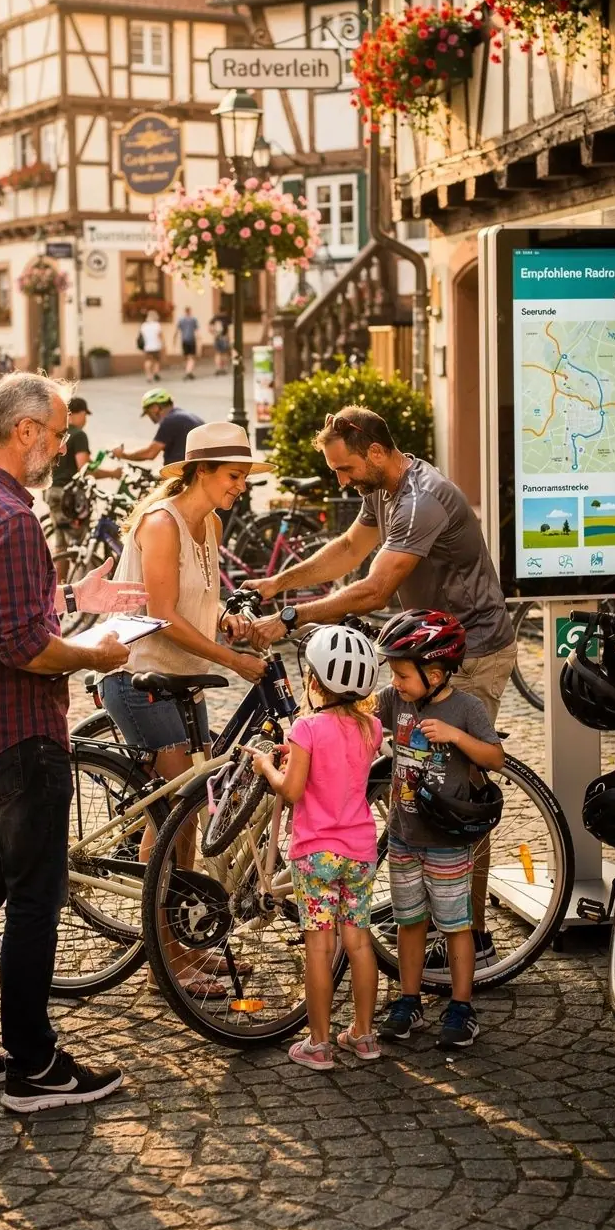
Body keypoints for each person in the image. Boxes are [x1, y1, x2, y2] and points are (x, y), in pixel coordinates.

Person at [0, 371, 149, 1112]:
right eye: (52, 435)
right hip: (19, 740)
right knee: (31, 901)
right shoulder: (13, 518)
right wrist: (94, 652)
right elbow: (23, 646)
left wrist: (72, 620)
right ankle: (34, 1065)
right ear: (24, 431)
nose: (56, 447)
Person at [238, 406, 516, 969]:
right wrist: (277, 582)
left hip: (473, 652)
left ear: (375, 450)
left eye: (344, 468)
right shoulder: (383, 490)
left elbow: (374, 587)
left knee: (455, 786)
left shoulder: (421, 498)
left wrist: (290, 617)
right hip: (424, 651)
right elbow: (347, 550)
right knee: (413, 772)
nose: (340, 480)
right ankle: (430, 909)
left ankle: (474, 933)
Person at [101, 422, 267, 993]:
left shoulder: (210, 524)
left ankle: (184, 949)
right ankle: (165, 962)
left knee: (189, 814)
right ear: (200, 473)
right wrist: (233, 658)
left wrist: (232, 623)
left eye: (245, 475)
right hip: (137, 675)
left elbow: (201, 605)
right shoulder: (161, 524)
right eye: (232, 475)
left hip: (183, 679)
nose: (241, 485)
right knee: (178, 819)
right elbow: (166, 614)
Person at [252, 625, 383, 1070]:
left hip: (316, 854)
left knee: (319, 947)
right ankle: (364, 1035)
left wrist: (267, 764)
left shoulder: (305, 729)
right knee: (360, 942)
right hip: (361, 851)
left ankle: (319, 1043)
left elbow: (290, 790)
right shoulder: (372, 728)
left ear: (312, 682)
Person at [375, 610, 504, 1050]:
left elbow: (494, 758)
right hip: (403, 836)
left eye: (402, 674)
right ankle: (409, 1000)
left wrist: (455, 735)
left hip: (447, 842)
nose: (395, 682)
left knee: (455, 924)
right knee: (409, 921)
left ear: (434, 673)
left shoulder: (465, 708)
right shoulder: (398, 701)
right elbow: (367, 725)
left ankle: (461, 1006)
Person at [45, 396, 122, 576]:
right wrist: (112, 474)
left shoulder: (56, 432)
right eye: (85, 414)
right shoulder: (78, 435)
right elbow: (84, 468)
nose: (86, 419)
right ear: (76, 413)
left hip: (52, 492)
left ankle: (61, 587)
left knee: (61, 546)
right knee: (83, 546)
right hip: (70, 497)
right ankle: (83, 590)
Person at [111, 390, 204, 471]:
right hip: (198, 468)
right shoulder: (185, 416)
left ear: (155, 407)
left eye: (148, 412)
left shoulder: (170, 421)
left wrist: (122, 454)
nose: (149, 416)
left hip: (184, 474)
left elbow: (150, 453)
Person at [138, 310, 163, 382]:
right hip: (156, 346)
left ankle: (149, 376)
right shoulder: (157, 325)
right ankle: (155, 373)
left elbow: (141, 336)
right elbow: (160, 335)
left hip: (147, 346)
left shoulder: (144, 325)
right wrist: (163, 344)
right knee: (156, 361)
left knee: (147, 361)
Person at [175, 306, 199, 380]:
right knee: (191, 357)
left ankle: (188, 371)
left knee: (187, 357)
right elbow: (197, 330)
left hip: (184, 340)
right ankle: (188, 372)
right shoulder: (193, 319)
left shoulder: (181, 320)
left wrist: (174, 340)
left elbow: (177, 330)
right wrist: (199, 340)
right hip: (191, 340)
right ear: (190, 311)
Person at [208, 312, 230, 376]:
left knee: (218, 353)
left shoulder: (215, 318)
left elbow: (210, 327)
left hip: (217, 338)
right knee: (224, 353)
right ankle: (223, 368)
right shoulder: (226, 318)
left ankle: (218, 368)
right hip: (224, 337)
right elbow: (229, 328)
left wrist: (214, 334)